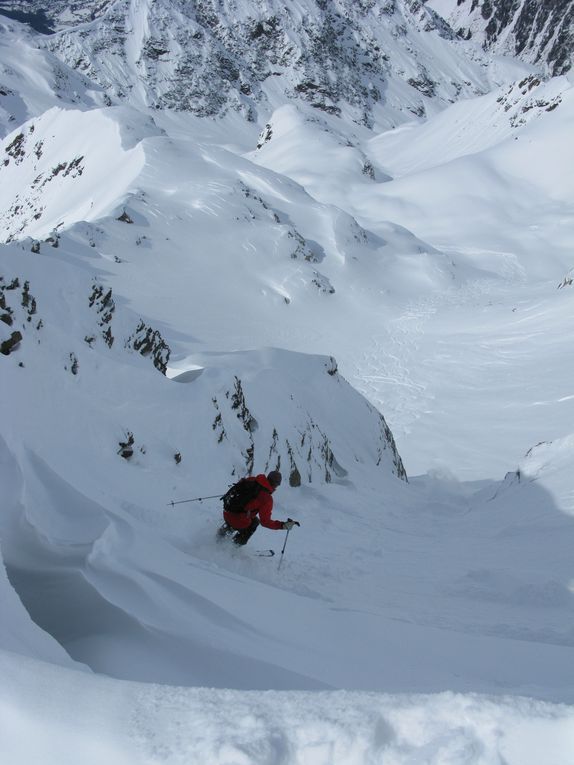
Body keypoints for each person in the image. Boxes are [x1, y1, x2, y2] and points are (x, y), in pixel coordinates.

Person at [217, 470, 299, 546]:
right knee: (254, 522)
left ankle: (220, 535)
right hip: (237, 520)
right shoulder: (267, 498)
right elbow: (265, 522)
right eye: (278, 484)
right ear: (275, 484)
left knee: (242, 515)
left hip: (227, 511)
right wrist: (282, 525)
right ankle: (234, 547)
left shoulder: (252, 479)